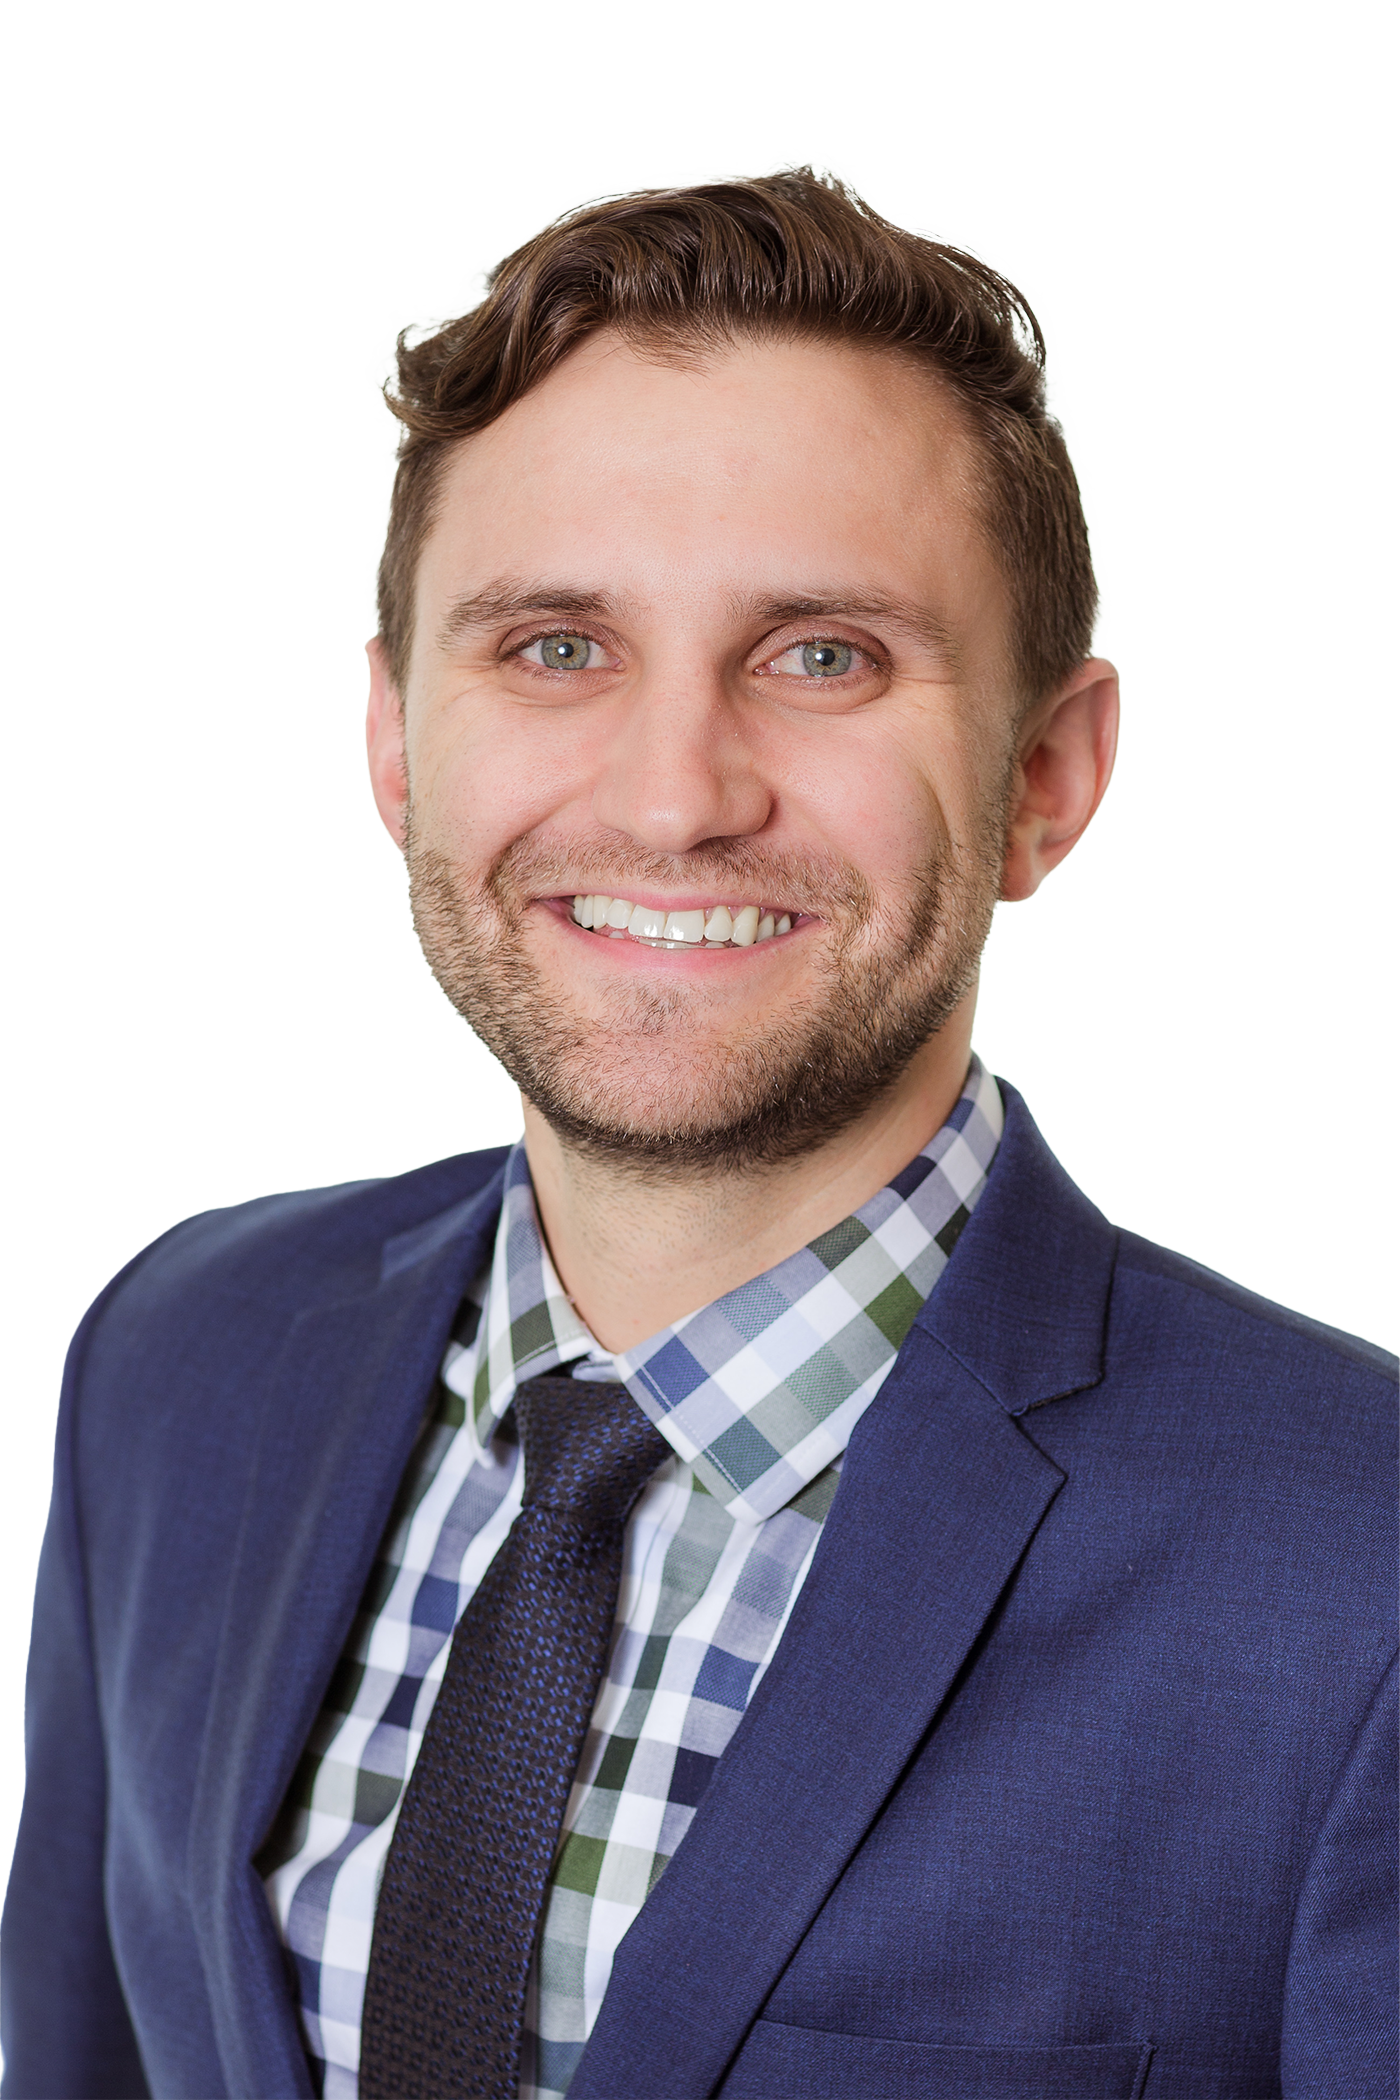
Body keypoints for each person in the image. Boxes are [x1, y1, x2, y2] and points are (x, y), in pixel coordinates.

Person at [2, 163, 1398, 2100]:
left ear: (1045, 778)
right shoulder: (177, 1359)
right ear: (399, 740)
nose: (672, 800)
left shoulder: (1358, 1570)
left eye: (820, 655)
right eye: (553, 647)